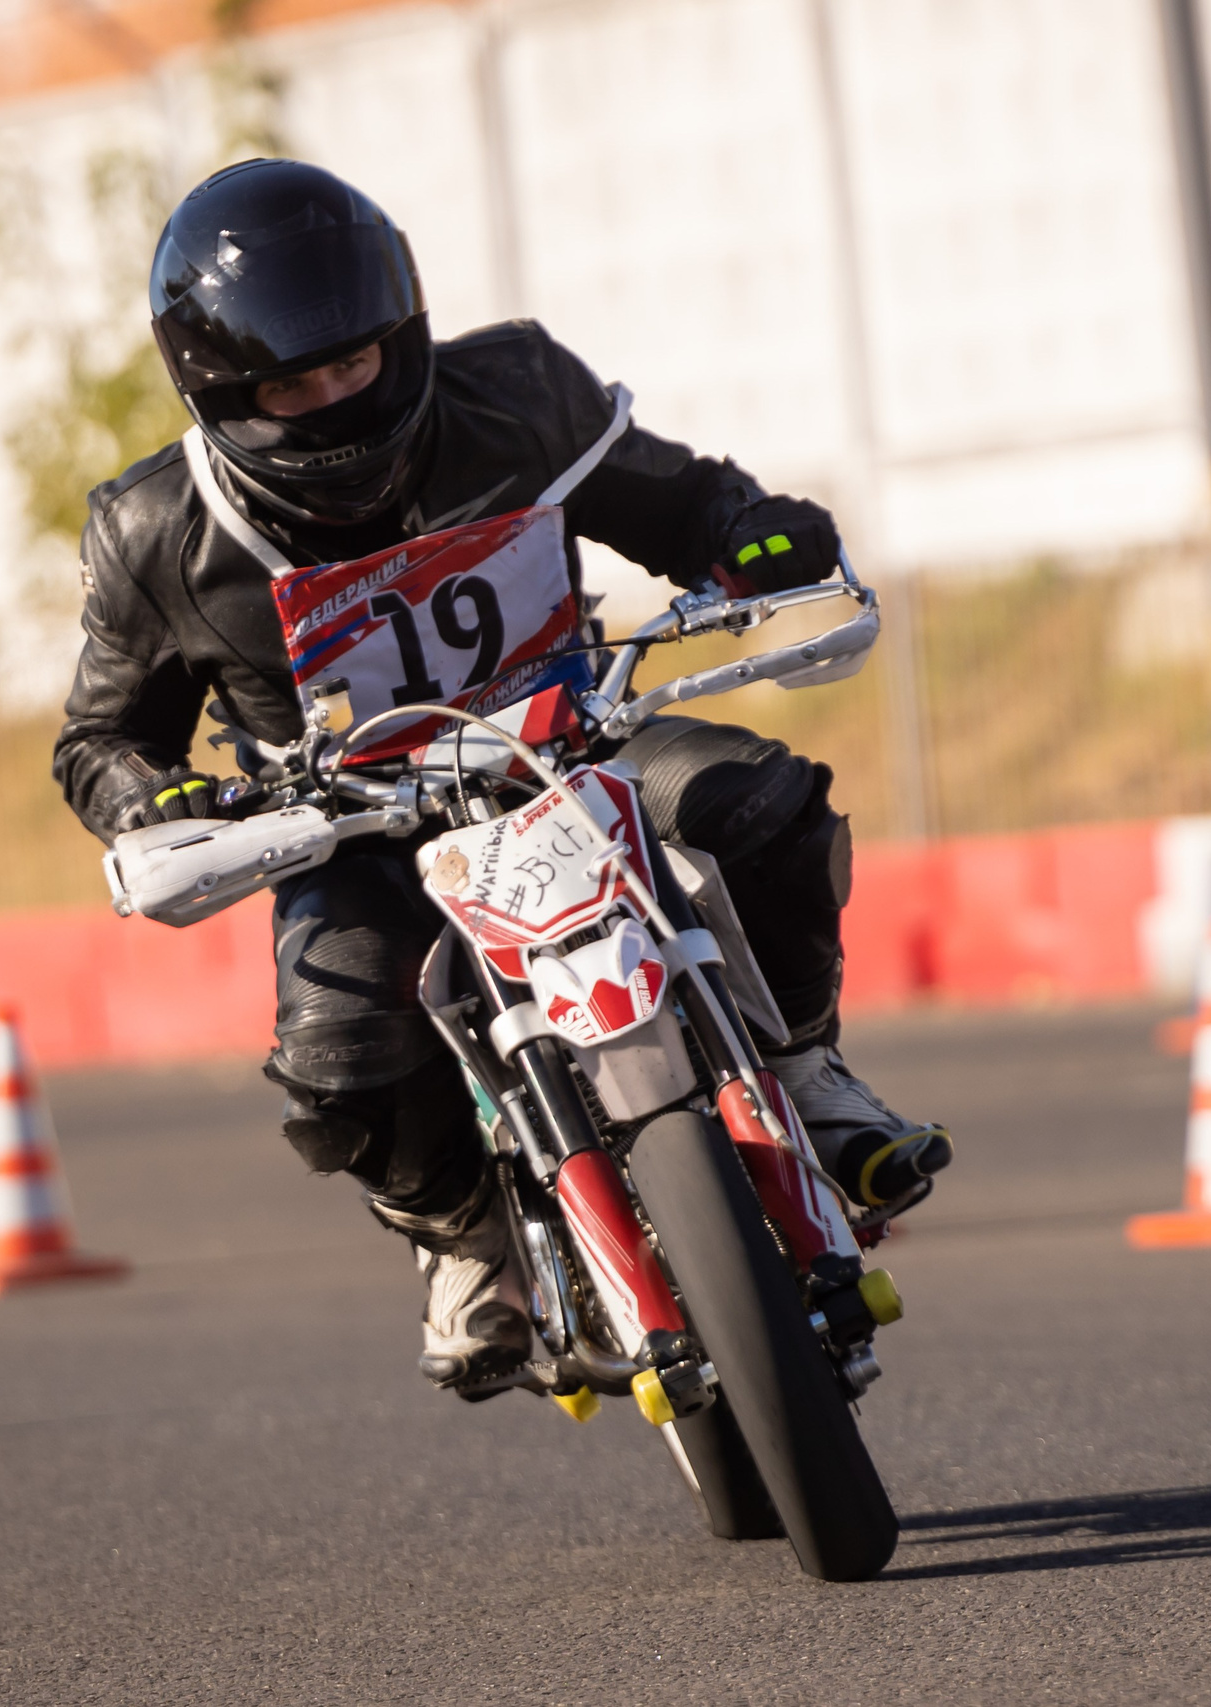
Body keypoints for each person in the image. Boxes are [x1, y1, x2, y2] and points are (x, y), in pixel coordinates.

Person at [54, 159, 948, 1394]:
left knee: (763, 806)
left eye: (354, 365)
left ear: (403, 335)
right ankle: (462, 1236)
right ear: (220, 391)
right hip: (354, 827)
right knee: (337, 1051)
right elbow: (101, 737)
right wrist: (146, 795)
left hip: (577, 743)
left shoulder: (524, 394)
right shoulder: (154, 532)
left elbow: (684, 501)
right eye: (288, 384)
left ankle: (804, 1068)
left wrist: (747, 534)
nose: (330, 402)